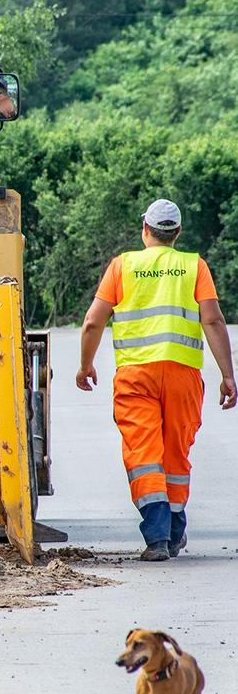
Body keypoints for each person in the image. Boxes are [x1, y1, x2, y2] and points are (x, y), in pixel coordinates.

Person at [77, 198, 237, 561]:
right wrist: (228, 375)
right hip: (182, 373)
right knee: (175, 454)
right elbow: (212, 320)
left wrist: (85, 365)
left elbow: (92, 321)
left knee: (144, 454)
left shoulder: (123, 266)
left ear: (145, 229)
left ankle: (157, 537)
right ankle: (174, 530)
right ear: (177, 233)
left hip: (136, 376)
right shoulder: (193, 266)